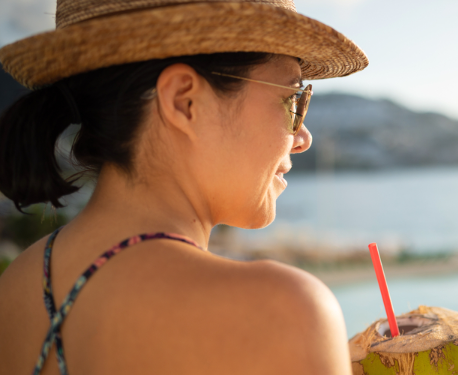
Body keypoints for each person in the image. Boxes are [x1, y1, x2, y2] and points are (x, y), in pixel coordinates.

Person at [0, 0, 368, 374]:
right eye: (293, 99)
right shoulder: (281, 310)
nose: (303, 137)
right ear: (184, 101)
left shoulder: (18, 284)